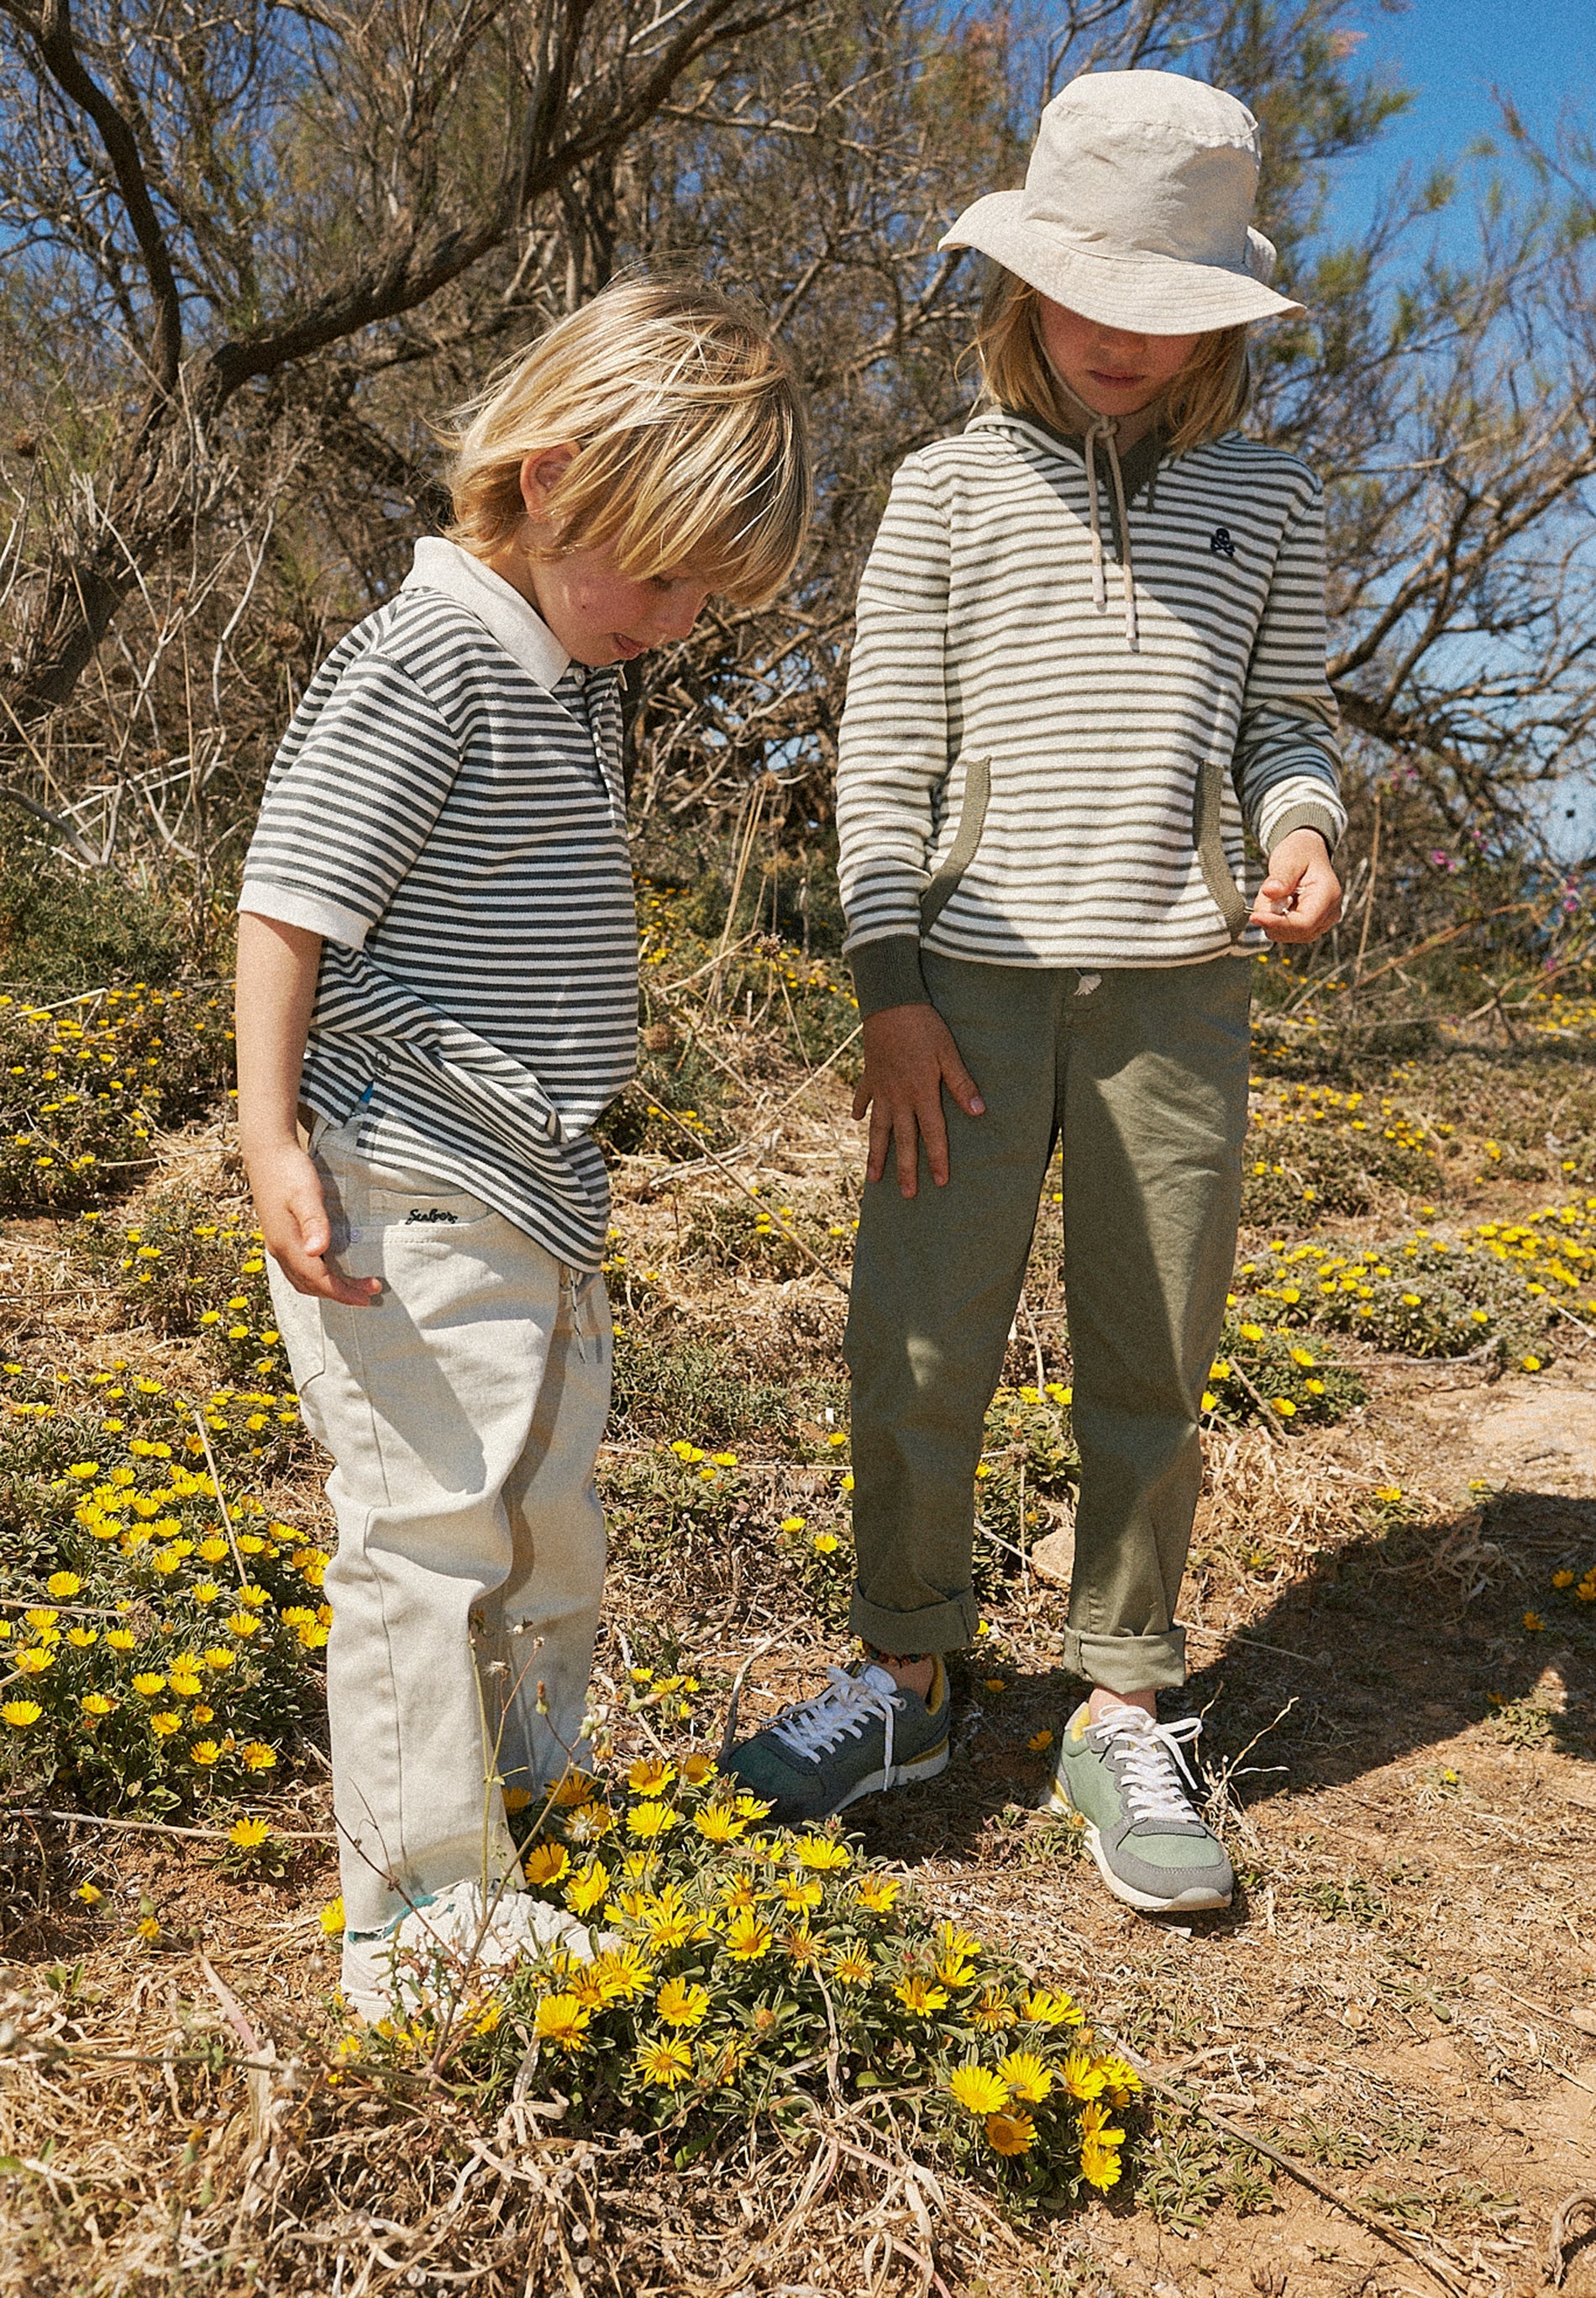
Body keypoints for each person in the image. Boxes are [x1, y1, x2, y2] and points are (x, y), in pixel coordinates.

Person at [727, 71, 1343, 1917]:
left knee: (1150, 1357)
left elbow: (1280, 722)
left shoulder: (1269, 497)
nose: (1117, 339)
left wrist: (1301, 824)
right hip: (962, 998)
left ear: (1216, 319)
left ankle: (1117, 1700)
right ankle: (904, 1674)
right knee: (914, 1343)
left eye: (1161, 308)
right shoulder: (939, 490)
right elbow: (888, 757)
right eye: (1086, 293)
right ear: (1017, 286)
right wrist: (885, 988)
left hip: (1176, 993)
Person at [235, 281, 810, 2016]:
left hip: (532, 1182)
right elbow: (289, 903)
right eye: (663, 571)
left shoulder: (564, 666)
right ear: (549, 479)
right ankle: (414, 1914)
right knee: (423, 1532)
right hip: (402, 1170)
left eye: (711, 590)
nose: (680, 616)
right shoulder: (427, 659)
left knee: (542, 1523)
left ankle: (526, 1820)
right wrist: (271, 1134)